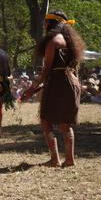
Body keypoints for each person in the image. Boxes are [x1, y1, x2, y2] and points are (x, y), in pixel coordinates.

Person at [23, 10, 85, 168]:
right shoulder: (70, 42)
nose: (44, 25)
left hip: (58, 83)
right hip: (71, 82)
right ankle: (69, 160)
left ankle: (55, 159)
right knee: (65, 124)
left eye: (46, 22)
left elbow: (46, 70)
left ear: (52, 23)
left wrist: (31, 88)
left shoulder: (53, 41)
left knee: (45, 120)